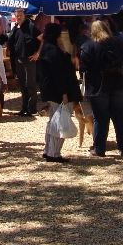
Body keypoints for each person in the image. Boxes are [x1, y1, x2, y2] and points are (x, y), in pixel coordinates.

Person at [79, 19, 123, 157]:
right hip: (119, 84)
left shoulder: (88, 46)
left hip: (99, 86)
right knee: (119, 116)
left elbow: (83, 68)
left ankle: (99, 149)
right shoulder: (119, 43)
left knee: (100, 118)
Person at [36, 22, 82, 164]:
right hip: (60, 92)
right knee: (60, 121)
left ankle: (48, 150)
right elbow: (59, 75)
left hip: (50, 91)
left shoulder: (46, 50)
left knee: (53, 121)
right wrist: (64, 93)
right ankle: (54, 153)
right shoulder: (54, 52)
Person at [8, 8, 41, 116]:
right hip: (19, 60)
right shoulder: (16, 28)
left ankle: (32, 109)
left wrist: (38, 53)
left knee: (30, 85)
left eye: (20, 15)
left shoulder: (30, 26)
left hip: (29, 60)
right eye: (17, 16)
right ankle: (24, 108)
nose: (18, 18)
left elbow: (43, 38)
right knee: (22, 85)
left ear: (24, 16)